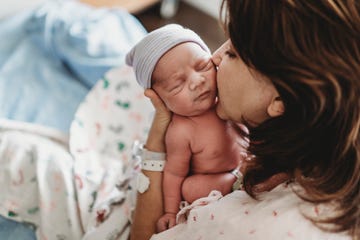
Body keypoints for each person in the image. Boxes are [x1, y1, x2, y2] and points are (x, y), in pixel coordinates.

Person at [130, 0, 360, 239]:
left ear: (279, 100)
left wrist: (154, 147)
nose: (215, 57)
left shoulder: (241, 226)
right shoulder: (316, 138)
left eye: (232, 53)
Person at [126, 24, 244, 232]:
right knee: (190, 187)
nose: (197, 82)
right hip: (212, 179)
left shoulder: (227, 93)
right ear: (159, 99)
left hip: (241, 160)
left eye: (202, 67)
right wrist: (170, 212)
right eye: (177, 85)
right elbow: (173, 174)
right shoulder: (182, 130)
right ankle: (235, 182)